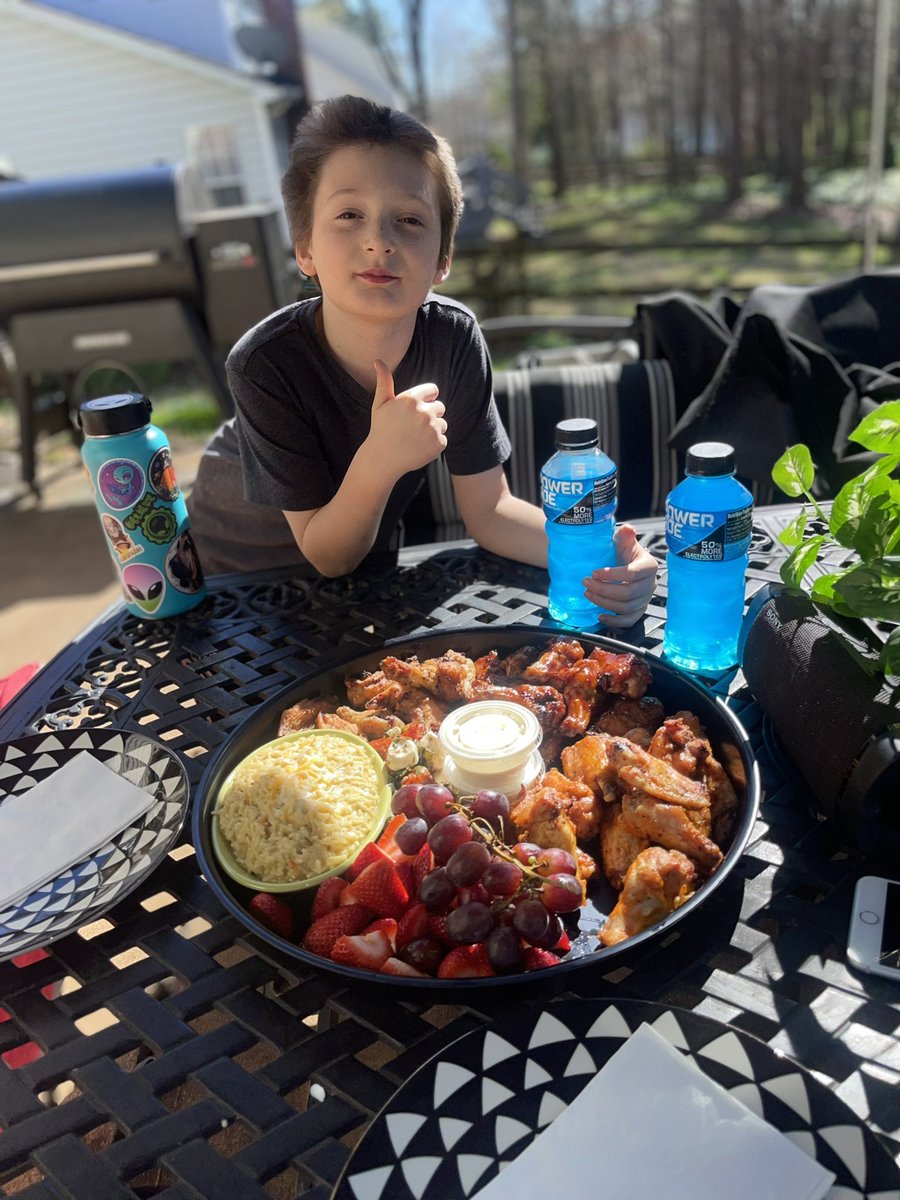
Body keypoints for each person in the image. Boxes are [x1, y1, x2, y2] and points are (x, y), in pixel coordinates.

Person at [192, 94, 657, 628]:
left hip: (360, 581)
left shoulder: (451, 338)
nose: (378, 241)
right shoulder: (264, 362)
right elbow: (327, 554)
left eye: (410, 219)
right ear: (305, 250)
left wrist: (610, 557)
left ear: (442, 260)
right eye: (348, 214)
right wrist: (380, 458)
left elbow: (490, 512)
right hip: (238, 578)